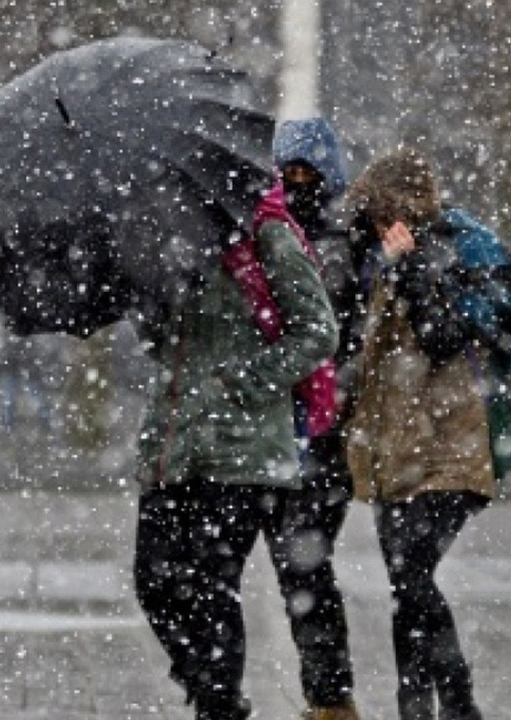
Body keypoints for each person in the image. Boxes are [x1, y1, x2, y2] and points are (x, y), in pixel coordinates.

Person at [343, 148, 511, 720]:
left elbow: (442, 337)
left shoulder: (446, 253)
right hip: (395, 448)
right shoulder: (377, 258)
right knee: (405, 585)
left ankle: (457, 706)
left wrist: (411, 270)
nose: (370, 222)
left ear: (402, 206)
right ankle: (418, 708)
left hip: (454, 447)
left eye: (378, 209)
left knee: (412, 574)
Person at [133, 181, 339, 720]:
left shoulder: (266, 236)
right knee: (153, 581)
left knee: (209, 586)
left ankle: (219, 705)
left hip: (241, 449)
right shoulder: (170, 241)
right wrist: (149, 301)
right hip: (172, 446)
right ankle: (211, 692)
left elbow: (317, 331)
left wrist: (246, 383)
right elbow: (163, 342)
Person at [264, 117, 365, 720]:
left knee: (303, 568)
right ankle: (328, 696)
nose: (299, 183)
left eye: (309, 172)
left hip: (320, 430)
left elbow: (333, 331)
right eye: (289, 172)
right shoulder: (273, 235)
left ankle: (330, 697)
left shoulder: (337, 244)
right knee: (299, 569)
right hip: (285, 427)